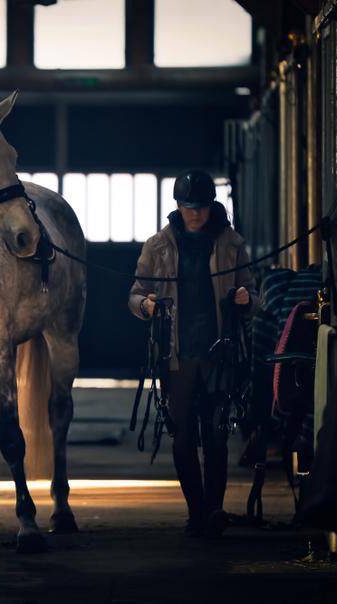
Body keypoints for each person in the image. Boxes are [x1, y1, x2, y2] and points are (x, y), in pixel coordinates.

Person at [128, 169, 258, 538]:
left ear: (211, 205)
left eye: (201, 206)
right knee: (183, 436)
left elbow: (253, 293)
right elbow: (135, 293)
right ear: (178, 206)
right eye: (188, 206)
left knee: (216, 434)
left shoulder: (231, 244)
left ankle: (214, 509)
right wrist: (146, 305)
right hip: (177, 354)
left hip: (218, 353)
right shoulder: (158, 247)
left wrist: (246, 299)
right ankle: (196, 511)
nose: (195, 213)